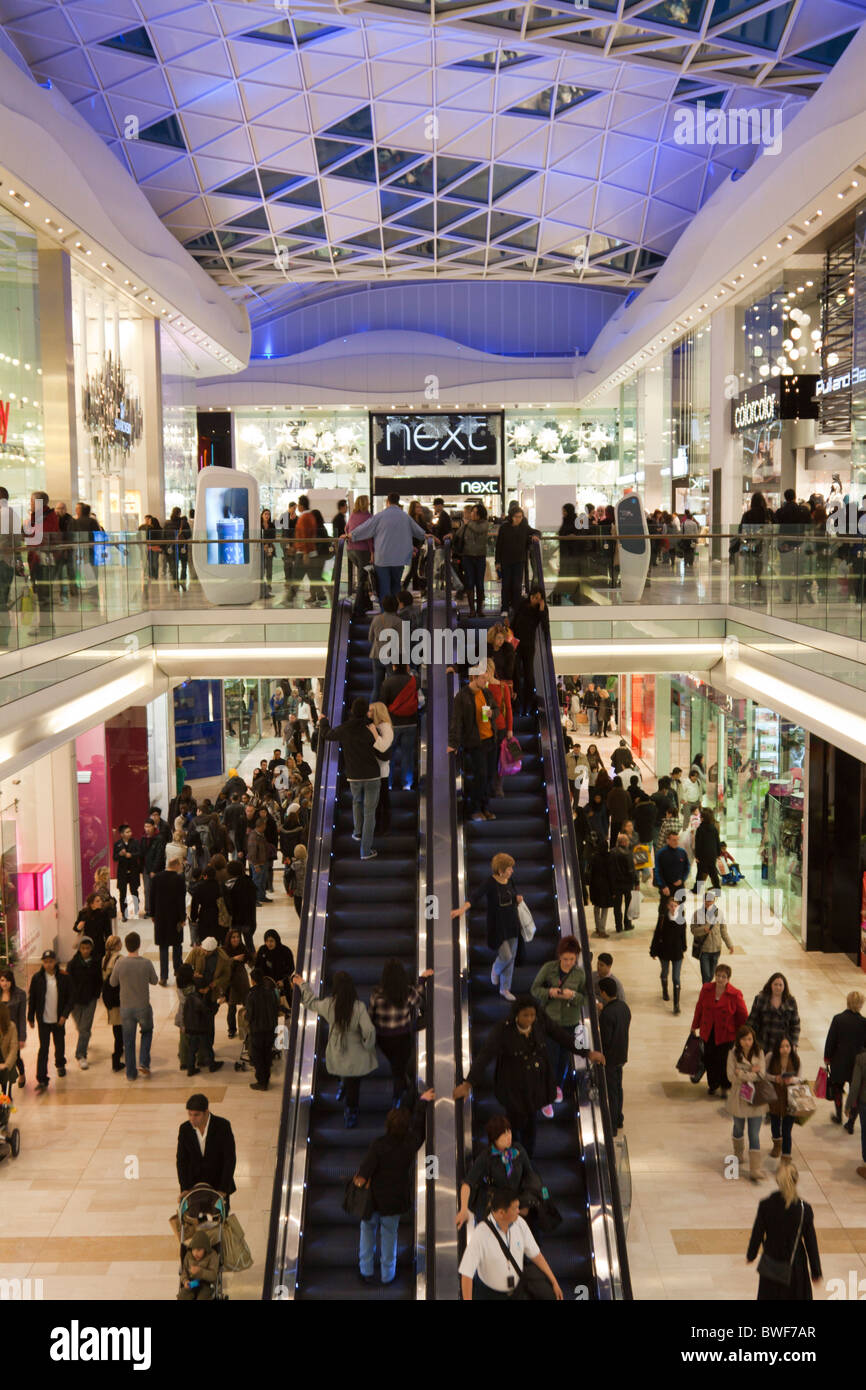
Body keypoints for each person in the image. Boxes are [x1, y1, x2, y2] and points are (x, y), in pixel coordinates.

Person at [453, 994, 604, 1158]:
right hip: (512, 1087)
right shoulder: (503, 1030)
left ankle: (526, 1158)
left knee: (531, 1125)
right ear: (517, 1014)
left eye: (532, 1015)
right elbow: (485, 1055)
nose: (530, 1019)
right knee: (516, 1123)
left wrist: (586, 1053)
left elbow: (562, 1036)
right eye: (526, 1015)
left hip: (535, 1085)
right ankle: (515, 1155)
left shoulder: (541, 1023)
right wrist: (468, 1084)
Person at [354, 1090, 433, 1285]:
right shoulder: (410, 1144)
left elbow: (363, 1175)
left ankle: (366, 1271)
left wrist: (358, 1182)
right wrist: (422, 1103)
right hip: (396, 1198)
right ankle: (388, 1275)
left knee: (367, 1231)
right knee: (390, 1235)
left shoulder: (378, 1145)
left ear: (387, 1125)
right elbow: (418, 1128)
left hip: (373, 1200)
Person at [293, 969, 377, 1127]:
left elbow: (310, 1002)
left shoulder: (329, 1004)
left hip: (337, 1049)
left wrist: (302, 984)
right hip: (356, 1052)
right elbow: (370, 1030)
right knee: (355, 1084)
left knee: (339, 1069)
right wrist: (368, 1046)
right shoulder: (358, 1007)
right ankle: (351, 1112)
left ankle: (342, 1083)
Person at [458, 1188, 563, 1301]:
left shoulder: (520, 1224)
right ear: (502, 1213)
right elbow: (466, 1274)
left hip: (516, 1292)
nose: (519, 1211)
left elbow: (536, 1255)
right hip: (490, 1295)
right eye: (515, 1208)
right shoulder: (481, 1233)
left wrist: (554, 1281)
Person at [452, 852, 524, 1002]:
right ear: (501, 870)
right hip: (498, 927)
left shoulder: (510, 881)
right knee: (506, 956)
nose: (512, 871)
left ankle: (505, 989)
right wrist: (461, 909)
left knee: (511, 959)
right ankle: (496, 969)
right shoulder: (490, 883)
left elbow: (514, 895)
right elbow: (475, 897)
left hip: (513, 925)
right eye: (510, 868)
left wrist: (517, 898)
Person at [746, 1163, 822, 1299]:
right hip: (795, 1266)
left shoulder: (766, 1205)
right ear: (796, 1180)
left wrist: (751, 1255)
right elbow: (811, 1242)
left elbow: (757, 1233)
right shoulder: (804, 1209)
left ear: (777, 1181)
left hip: (771, 1263)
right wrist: (816, 1271)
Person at [320, 699, 382, 861]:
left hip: (354, 775)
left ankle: (357, 832)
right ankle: (365, 851)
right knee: (370, 813)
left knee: (356, 801)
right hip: (373, 775)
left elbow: (327, 735)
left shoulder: (345, 728)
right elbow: (382, 747)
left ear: (352, 711)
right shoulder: (371, 728)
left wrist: (323, 721)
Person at [531, 935, 585, 1113]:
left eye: (572, 959)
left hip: (570, 1022)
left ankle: (557, 1087)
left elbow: (584, 998)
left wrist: (573, 996)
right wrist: (550, 992)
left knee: (563, 1059)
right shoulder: (549, 968)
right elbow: (535, 989)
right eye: (565, 959)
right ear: (559, 956)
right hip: (551, 1021)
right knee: (550, 1059)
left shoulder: (580, 974)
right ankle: (546, 1096)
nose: (568, 962)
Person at [457, 1115, 541, 1228]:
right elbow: (468, 1183)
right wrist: (463, 1210)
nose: (509, 1136)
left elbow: (530, 1175)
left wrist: (526, 1203)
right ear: (495, 1137)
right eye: (504, 1134)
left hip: (518, 1208)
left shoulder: (518, 1150)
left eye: (509, 1131)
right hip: (498, 1210)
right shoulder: (486, 1157)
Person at [367, 959, 432, 1102]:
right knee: (399, 1067)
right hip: (403, 1037)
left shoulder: (376, 994)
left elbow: (371, 1016)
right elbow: (421, 1002)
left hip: (383, 1039)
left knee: (396, 1065)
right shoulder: (407, 992)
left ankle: (402, 1085)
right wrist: (421, 981)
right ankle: (398, 1098)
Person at [349, 493, 429, 601]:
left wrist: (350, 535)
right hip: (399, 559)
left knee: (384, 588)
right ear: (398, 501)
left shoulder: (380, 516)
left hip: (382, 558)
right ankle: (396, 610)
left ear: (387, 501)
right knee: (396, 586)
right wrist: (428, 536)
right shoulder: (405, 517)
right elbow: (419, 532)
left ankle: (385, 613)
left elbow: (365, 528)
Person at [448, 662, 499, 823]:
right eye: (483, 678)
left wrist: (492, 713)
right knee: (480, 775)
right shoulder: (462, 696)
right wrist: (453, 743)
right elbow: (456, 721)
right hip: (475, 742)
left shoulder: (487, 693)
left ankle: (485, 807)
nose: (486, 681)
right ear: (474, 677)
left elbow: (496, 709)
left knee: (489, 776)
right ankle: (475, 809)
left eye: (486, 678)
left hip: (491, 739)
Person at [691, 963, 748, 1097]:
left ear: (728, 979)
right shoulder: (706, 989)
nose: (720, 979)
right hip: (708, 1031)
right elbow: (699, 1008)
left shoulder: (735, 994)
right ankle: (713, 1084)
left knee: (724, 1061)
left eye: (723, 977)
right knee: (709, 1059)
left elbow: (743, 1015)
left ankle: (725, 1086)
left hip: (726, 1034)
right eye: (718, 976)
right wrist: (694, 1025)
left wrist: (741, 1034)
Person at [110, 931, 158, 1081]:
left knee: (128, 1040)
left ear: (126, 945)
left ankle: (130, 1073)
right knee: (147, 1032)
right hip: (143, 1006)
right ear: (139, 944)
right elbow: (155, 981)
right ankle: (144, 1062)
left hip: (126, 1008)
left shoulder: (120, 963)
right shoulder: (146, 963)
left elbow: (112, 982)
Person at [176, 1094, 237, 1206]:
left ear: (206, 1112)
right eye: (189, 1114)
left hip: (218, 1185)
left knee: (220, 1220)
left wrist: (223, 1189)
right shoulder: (185, 1129)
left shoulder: (223, 1126)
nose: (192, 1119)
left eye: (196, 1115)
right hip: (194, 1187)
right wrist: (184, 1188)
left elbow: (229, 1159)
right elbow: (181, 1161)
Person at [727, 1022, 768, 1183]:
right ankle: (738, 1153)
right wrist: (752, 1071)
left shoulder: (760, 1053)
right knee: (738, 1128)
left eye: (750, 1039)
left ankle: (755, 1169)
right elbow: (731, 1076)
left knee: (754, 1134)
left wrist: (742, 1073)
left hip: (756, 1099)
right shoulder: (732, 1054)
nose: (747, 1042)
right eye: (744, 1039)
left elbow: (762, 1075)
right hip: (739, 1098)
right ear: (739, 1041)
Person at [28, 949, 71, 1094]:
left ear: (55, 962)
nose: (48, 964)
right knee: (43, 1048)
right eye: (45, 962)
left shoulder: (64, 977)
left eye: (50, 962)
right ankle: (41, 1079)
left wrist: (64, 1015)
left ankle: (60, 1064)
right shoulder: (37, 978)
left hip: (58, 1020)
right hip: (43, 1021)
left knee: (59, 1045)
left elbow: (71, 998)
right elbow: (32, 998)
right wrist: (30, 1017)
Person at [823, 990, 866, 1127]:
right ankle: (851, 1122)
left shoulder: (838, 1019)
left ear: (847, 1002)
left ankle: (838, 1116)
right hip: (857, 1062)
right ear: (861, 1005)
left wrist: (827, 1057)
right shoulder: (864, 1023)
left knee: (837, 1088)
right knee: (856, 1091)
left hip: (839, 1060)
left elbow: (831, 1040)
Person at [598, 976, 630, 1134]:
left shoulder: (606, 1014)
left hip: (609, 1058)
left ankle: (611, 1127)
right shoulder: (624, 1007)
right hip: (621, 1055)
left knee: (611, 1092)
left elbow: (605, 1039)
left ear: (603, 993)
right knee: (618, 1088)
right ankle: (618, 1119)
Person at [380, 662, 419, 792]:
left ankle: (388, 783)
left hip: (393, 725)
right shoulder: (414, 681)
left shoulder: (387, 683)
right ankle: (406, 784)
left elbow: (382, 705)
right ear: (406, 666)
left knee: (388, 756)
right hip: (411, 723)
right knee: (407, 755)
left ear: (395, 666)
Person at [510, 589, 548, 718]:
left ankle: (528, 707)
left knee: (529, 678)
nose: (535, 600)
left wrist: (542, 610)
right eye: (534, 597)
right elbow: (514, 621)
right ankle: (516, 705)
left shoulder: (539, 611)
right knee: (515, 673)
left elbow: (545, 626)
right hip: (516, 644)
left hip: (528, 646)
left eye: (538, 598)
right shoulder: (522, 604)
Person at [66, 935, 102, 1069]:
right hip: (75, 1001)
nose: (85, 950)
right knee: (81, 1027)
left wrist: (97, 994)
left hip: (90, 999)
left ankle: (81, 1054)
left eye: (87, 948)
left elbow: (99, 979)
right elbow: (67, 983)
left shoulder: (96, 962)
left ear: (91, 948)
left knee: (85, 1028)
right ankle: (85, 1038)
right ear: (79, 949)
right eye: (83, 948)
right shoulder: (72, 964)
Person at [151, 857, 187, 986]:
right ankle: (178, 973)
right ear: (176, 865)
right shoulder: (179, 879)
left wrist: (152, 914)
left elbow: (152, 896)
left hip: (161, 917)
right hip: (175, 918)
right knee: (177, 945)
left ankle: (163, 976)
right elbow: (181, 901)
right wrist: (183, 918)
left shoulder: (156, 878)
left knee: (163, 947)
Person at [748, 974, 801, 1058]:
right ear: (770, 985)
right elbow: (752, 1021)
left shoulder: (791, 1001)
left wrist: (794, 1043)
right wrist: (750, 1041)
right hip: (764, 1042)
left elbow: (795, 1025)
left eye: (780, 985)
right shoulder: (760, 999)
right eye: (775, 984)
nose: (778, 987)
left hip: (783, 1044)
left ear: (784, 986)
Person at [766, 1036, 801, 1162]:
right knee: (775, 1124)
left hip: (790, 1098)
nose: (785, 1049)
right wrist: (775, 1078)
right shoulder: (770, 1057)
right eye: (782, 1047)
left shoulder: (796, 1059)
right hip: (774, 1097)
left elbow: (800, 1078)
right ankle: (777, 1145)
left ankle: (786, 1156)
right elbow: (764, 1075)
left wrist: (791, 1080)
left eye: (787, 1046)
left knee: (787, 1129)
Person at [650, 894, 687, 1014]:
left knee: (676, 977)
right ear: (667, 906)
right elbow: (657, 934)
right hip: (664, 952)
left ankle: (676, 1004)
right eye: (671, 906)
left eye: (675, 906)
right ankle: (665, 990)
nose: (673, 908)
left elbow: (683, 936)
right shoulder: (662, 919)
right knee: (665, 972)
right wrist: (653, 950)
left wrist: (684, 947)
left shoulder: (681, 920)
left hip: (677, 953)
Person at [245, 968, 280, 1092]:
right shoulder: (270, 992)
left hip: (257, 1031)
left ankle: (261, 1082)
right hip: (270, 1029)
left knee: (258, 1057)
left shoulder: (252, 995)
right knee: (267, 1055)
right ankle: (267, 1079)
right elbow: (276, 1007)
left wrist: (246, 1017)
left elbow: (249, 1015)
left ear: (253, 980)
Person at [690, 891, 734, 983]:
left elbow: (723, 930)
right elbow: (693, 930)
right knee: (706, 976)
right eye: (707, 900)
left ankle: (706, 988)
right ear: (703, 900)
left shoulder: (719, 913)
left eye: (711, 900)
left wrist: (729, 944)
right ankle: (705, 993)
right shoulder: (697, 914)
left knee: (711, 975)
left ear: (714, 901)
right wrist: (704, 929)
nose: (708, 902)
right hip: (704, 950)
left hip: (716, 949)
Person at [494, 506, 531, 615]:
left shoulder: (524, 527)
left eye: (520, 517)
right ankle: (504, 608)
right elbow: (499, 545)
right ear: (511, 516)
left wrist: (536, 536)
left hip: (519, 561)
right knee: (506, 585)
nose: (518, 519)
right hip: (506, 561)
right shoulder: (504, 527)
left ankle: (516, 607)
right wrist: (497, 562)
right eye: (516, 517)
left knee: (517, 585)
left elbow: (535, 532)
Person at [368, 592, 402, 702]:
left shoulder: (376, 619)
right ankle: (390, 710)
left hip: (376, 655)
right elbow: (401, 644)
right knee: (393, 687)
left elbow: (370, 638)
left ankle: (372, 712)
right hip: (391, 657)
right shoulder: (399, 622)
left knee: (376, 687)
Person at [345, 494, 374, 612]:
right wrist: (372, 552)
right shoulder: (368, 517)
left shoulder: (352, 515)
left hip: (351, 550)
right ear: (365, 503)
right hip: (363, 551)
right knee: (363, 578)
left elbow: (346, 529)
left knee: (363, 576)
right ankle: (358, 608)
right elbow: (369, 537)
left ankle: (367, 604)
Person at [223, 859, 258, 955]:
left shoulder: (229, 885)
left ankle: (239, 962)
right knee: (249, 944)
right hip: (248, 919)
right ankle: (254, 962)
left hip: (236, 920)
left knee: (236, 944)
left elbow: (229, 905)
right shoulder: (249, 882)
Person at [0, 967, 26, 1088]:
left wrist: (22, 1037)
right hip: (1, 1032)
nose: (4, 983)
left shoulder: (20, 994)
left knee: (15, 1056)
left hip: (13, 1032)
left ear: (12, 981)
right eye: (2, 980)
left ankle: (21, 1073)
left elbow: (21, 1017)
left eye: (7, 981)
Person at [101, 934, 124, 1072]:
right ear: (117, 945)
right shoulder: (119, 959)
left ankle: (119, 1050)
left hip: (108, 996)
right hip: (117, 996)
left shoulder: (105, 959)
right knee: (120, 1027)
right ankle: (116, 1058)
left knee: (116, 1026)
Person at [177, 1228, 219, 1301]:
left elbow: (213, 1275)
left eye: (199, 1250)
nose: (195, 1253)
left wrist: (200, 1271)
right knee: (183, 1296)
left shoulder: (212, 1256)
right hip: (191, 1283)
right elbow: (184, 1271)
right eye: (193, 1250)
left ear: (205, 1249)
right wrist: (185, 1281)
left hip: (206, 1284)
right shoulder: (189, 1255)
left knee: (203, 1297)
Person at [654, 828, 689, 913]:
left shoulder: (682, 852)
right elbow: (657, 871)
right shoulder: (661, 853)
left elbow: (687, 868)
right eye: (673, 840)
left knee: (680, 906)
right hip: (666, 886)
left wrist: (682, 879)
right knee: (664, 908)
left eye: (677, 840)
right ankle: (662, 926)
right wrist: (663, 886)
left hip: (679, 884)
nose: (676, 842)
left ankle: (679, 925)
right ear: (668, 840)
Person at [255, 929, 295, 1001]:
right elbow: (257, 967)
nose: (269, 944)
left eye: (271, 941)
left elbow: (291, 967)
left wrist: (283, 981)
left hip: (282, 986)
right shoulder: (262, 950)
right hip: (266, 986)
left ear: (276, 940)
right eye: (266, 941)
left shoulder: (285, 951)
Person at [112, 824, 142, 921]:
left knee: (134, 891)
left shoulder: (135, 842)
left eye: (130, 831)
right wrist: (120, 854)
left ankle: (136, 911)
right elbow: (114, 858)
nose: (130, 833)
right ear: (122, 834)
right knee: (122, 893)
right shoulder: (117, 844)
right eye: (127, 832)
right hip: (122, 872)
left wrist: (131, 855)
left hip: (133, 871)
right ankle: (124, 913)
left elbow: (139, 854)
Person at [610, 832, 637, 933]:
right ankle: (627, 924)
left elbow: (610, 870)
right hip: (627, 884)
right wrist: (636, 882)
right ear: (625, 842)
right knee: (628, 905)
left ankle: (618, 926)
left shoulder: (612, 852)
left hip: (616, 884)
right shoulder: (628, 853)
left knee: (617, 906)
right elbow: (632, 870)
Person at [190, 864, 223, 946]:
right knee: (216, 940)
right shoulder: (220, 886)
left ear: (205, 876)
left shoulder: (199, 887)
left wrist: (193, 918)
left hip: (204, 914)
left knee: (204, 940)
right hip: (217, 915)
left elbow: (194, 904)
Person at [588, 839, 616, 938]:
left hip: (595, 885)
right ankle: (602, 930)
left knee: (596, 907)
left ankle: (598, 927)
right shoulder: (609, 858)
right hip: (606, 887)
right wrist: (613, 890)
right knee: (604, 908)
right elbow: (611, 875)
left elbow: (590, 873)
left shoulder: (594, 857)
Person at [0, 1003, 19, 1092]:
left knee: (6, 1094)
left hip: (6, 1062)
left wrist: (6, 1065)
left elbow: (13, 1048)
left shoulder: (11, 1027)